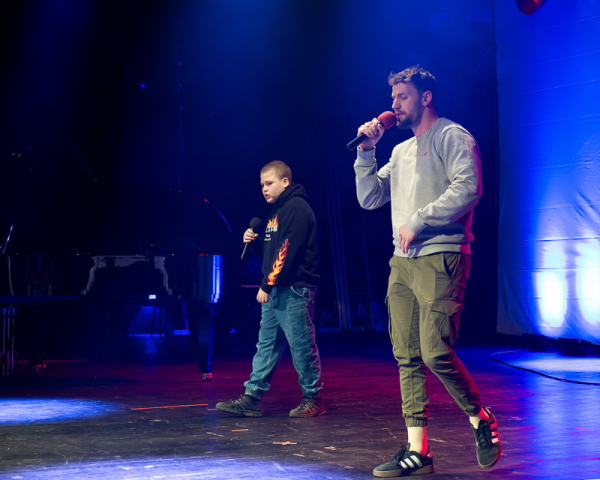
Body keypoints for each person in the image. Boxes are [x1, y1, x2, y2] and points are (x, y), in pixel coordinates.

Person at [354, 66, 501, 476]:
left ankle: (480, 417)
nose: (394, 105)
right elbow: (370, 197)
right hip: (402, 263)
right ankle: (418, 450)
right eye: (393, 98)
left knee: (435, 351)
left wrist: (418, 220)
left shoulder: (452, 136)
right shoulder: (400, 151)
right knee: (406, 354)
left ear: (425, 97)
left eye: (402, 96)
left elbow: (468, 188)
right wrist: (366, 153)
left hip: (441, 256)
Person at [216, 160, 325, 418]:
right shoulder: (276, 210)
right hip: (277, 288)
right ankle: (252, 397)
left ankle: (313, 399)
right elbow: (272, 250)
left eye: (269, 183)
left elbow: (287, 251)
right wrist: (254, 243)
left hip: (294, 288)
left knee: (301, 345)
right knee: (266, 344)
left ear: (285, 181)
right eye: (262, 185)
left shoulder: (296, 207)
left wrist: (267, 284)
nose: (264, 188)